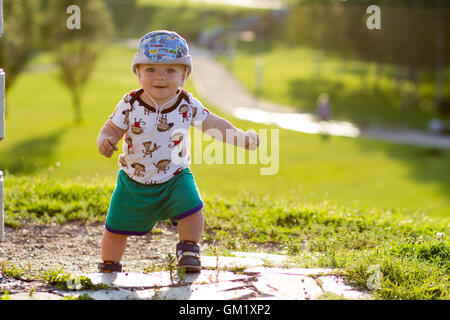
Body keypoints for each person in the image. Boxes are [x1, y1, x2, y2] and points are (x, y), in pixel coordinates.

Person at [96, 30, 259, 273]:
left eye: (170, 70)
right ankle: (110, 264)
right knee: (115, 229)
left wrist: (241, 138)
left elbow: (213, 124)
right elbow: (112, 128)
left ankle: (189, 248)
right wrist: (106, 139)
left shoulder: (187, 104)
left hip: (175, 176)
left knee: (192, 208)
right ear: (138, 73)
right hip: (133, 179)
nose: (160, 77)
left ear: (185, 74)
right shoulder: (129, 103)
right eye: (150, 70)